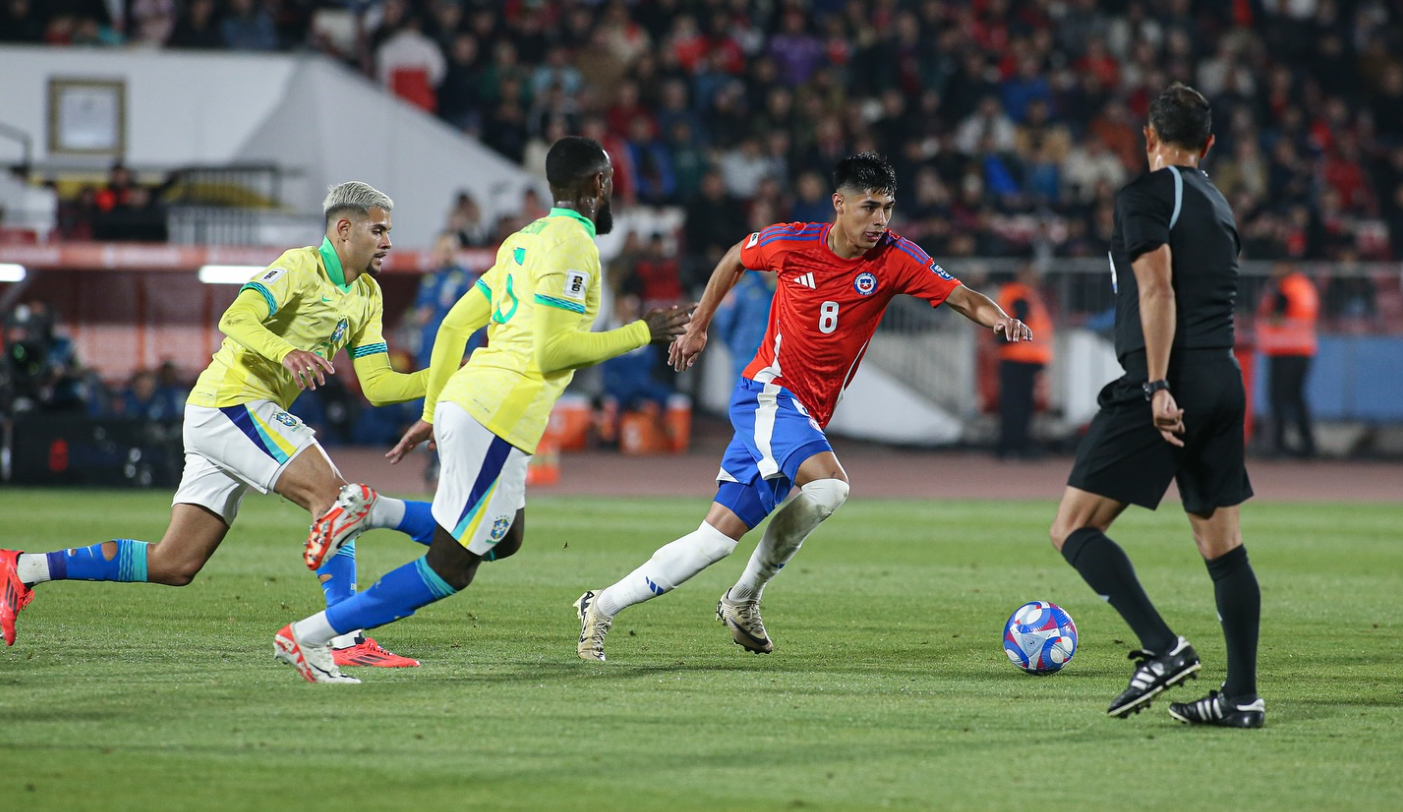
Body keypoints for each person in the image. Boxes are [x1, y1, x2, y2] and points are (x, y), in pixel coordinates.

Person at [573, 153, 1032, 662]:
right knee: (830, 483)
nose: (880, 220)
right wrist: (699, 324)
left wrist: (999, 320)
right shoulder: (792, 242)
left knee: (714, 541)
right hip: (768, 393)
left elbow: (962, 295)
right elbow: (733, 259)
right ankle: (744, 598)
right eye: (869, 207)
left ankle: (601, 605)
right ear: (839, 204)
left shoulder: (897, 258)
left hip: (804, 412)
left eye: (888, 208)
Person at [270, 137, 692, 683]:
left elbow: (452, 327)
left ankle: (373, 510)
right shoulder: (573, 247)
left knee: (506, 537)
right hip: (498, 414)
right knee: (451, 569)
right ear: (598, 185)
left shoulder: (524, 240)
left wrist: (432, 410)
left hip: (474, 403)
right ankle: (307, 636)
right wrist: (643, 331)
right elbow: (552, 351)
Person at [0, 182, 439, 669]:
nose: (387, 242)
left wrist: (449, 379)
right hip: (234, 402)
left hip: (224, 416)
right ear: (343, 229)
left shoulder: (366, 295)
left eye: (388, 232)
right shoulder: (299, 267)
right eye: (378, 230)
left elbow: (378, 386)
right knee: (338, 501)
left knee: (175, 563)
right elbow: (236, 317)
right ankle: (345, 637)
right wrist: (284, 350)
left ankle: (23, 568)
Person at [1048, 85, 1264, 728]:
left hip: (1171, 382)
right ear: (1210, 145)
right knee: (1222, 546)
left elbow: (1158, 290)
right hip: (1224, 379)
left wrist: (1157, 385)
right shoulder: (1219, 203)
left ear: (1148, 138)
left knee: (1073, 528)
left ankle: (1166, 649)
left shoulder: (1147, 194)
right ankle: (1242, 698)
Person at [1256, 262, 1319, 458]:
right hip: (1304, 350)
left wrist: (1265, 317)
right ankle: (1308, 445)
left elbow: (1275, 317)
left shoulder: (1284, 289)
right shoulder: (1305, 286)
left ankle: (1278, 445)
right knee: (1297, 399)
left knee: (1278, 399)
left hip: (1284, 350)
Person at [994, 262, 1054, 459]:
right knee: (1018, 405)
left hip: (1022, 357)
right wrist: (1005, 342)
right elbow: (1020, 320)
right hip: (1019, 357)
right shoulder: (1019, 294)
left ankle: (1012, 444)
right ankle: (1014, 444)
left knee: (1017, 403)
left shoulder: (1018, 293)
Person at [411, 232, 480, 371]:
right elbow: (418, 313)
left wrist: (470, 352)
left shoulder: (467, 280)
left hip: (455, 354)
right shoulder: (428, 280)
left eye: (449, 250)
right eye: (441, 250)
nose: (445, 255)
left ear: (457, 251)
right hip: (428, 353)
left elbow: (476, 317)